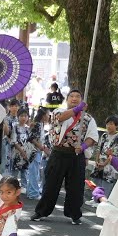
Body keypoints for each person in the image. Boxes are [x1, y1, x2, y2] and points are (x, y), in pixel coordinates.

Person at [32, 89, 95, 225]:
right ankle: (41, 211)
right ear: (67, 99)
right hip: (59, 153)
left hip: (76, 155)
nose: (74, 98)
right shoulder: (58, 112)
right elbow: (59, 119)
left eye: (78, 96)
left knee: (76, 186)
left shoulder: (88, 118)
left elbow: (92, 136)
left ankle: (74, 214)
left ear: (82, 99)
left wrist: (83, 147)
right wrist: (78, 109)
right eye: (71, 96)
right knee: (51, 184)